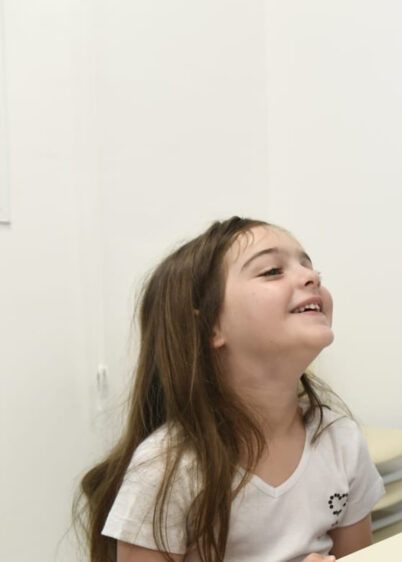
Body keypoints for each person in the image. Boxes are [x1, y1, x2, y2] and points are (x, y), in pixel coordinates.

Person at [76, 217, 383, 561]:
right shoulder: (164, 469)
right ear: (209, 327)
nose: (312, 277)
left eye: (309, 266)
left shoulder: (340, 439)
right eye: (271, 271)